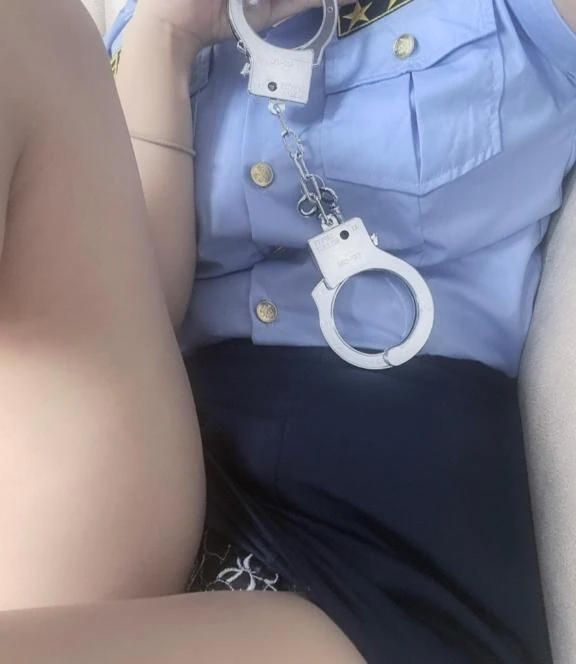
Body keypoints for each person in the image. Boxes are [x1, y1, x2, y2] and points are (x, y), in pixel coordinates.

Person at [101, 0, 576, 662]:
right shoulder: (143, 28)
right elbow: (127, 320)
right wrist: (165, 37)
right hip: (168, 461)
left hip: (387, 513)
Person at [0, 0, 362, 662]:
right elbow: (150, 298)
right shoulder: (132, 35)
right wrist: (163, 41)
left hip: (355, 562)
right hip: (137, 476)